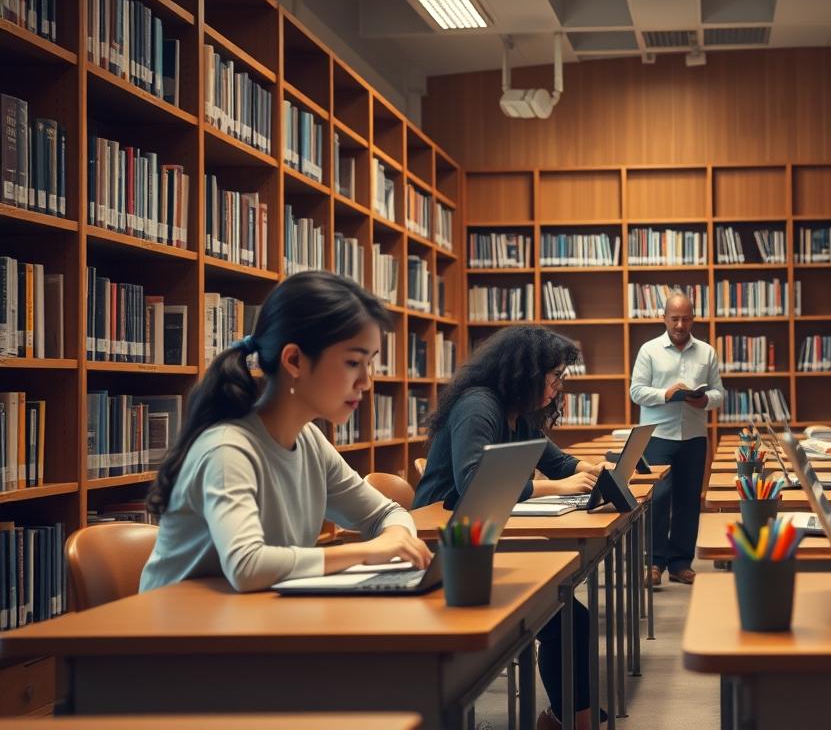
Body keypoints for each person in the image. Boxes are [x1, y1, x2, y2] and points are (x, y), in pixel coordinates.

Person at [141, 271, 432, 595]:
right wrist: (368, 552)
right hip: (177, 634)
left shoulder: (309, 441)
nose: (366, 381)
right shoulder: (228, 450)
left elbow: (386, 513)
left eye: (370, 364)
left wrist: (396, 537)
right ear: (294, 360)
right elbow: (247, 567)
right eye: (353, 362)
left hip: (248, 625)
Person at [415, 325, 610, 730]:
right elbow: (473, 482)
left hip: (484, 538)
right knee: (567, 616)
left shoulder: (517, 413)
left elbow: (557, 461)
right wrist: (554, 487)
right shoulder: (477, 405)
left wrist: (594, 471)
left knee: (570, 615)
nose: (557, 388)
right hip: (445, 547)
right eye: (553, 377)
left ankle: (568, 717)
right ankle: (572, 718)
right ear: (526, 372)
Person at [630, 292, 724, 585]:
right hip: (658, 435)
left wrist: (705, 399)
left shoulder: (707, 352)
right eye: (675, 319)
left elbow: (720, 394)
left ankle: (680, 563)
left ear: (693, 318)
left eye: (686, 319)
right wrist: (666, 395)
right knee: (658, 498)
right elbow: (636, 391)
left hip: (694, 436)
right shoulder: (649, 350)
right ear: (664, 318)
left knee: (688, 500)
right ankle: (654, 563)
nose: (680, 325)